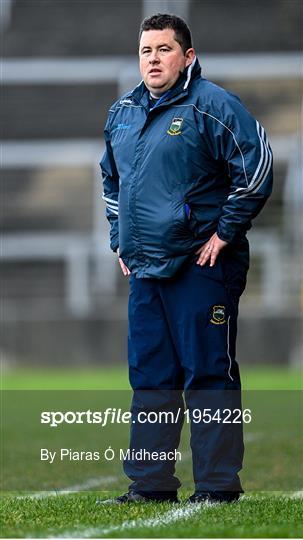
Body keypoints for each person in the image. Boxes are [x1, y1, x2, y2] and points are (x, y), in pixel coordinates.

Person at [100, 13, 273, 504]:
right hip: (145, 269)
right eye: (145, 51)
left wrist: (225, 232)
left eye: (164, 49)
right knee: (151, 375)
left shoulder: (213, 105)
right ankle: (151, 485)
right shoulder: (122, 113)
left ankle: (218, 486)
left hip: (202, 266)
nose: (153, 59)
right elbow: (111, 181)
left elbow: (256, 165)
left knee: (208, 373)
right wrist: (120, 239)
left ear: (188, 56)